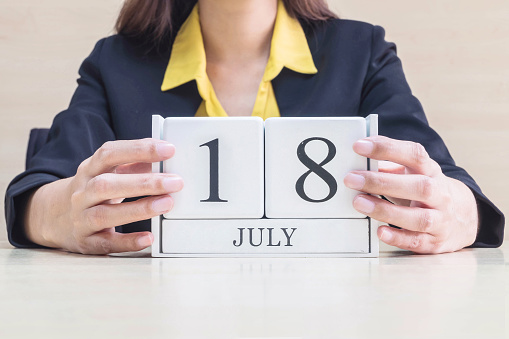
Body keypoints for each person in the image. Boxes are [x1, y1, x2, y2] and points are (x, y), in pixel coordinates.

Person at [5, 0, 504, 255]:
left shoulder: (362, 54)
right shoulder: (114, 63)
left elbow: (446, 186)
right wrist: (56, 215)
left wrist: (460, 214)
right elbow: (38, 192)